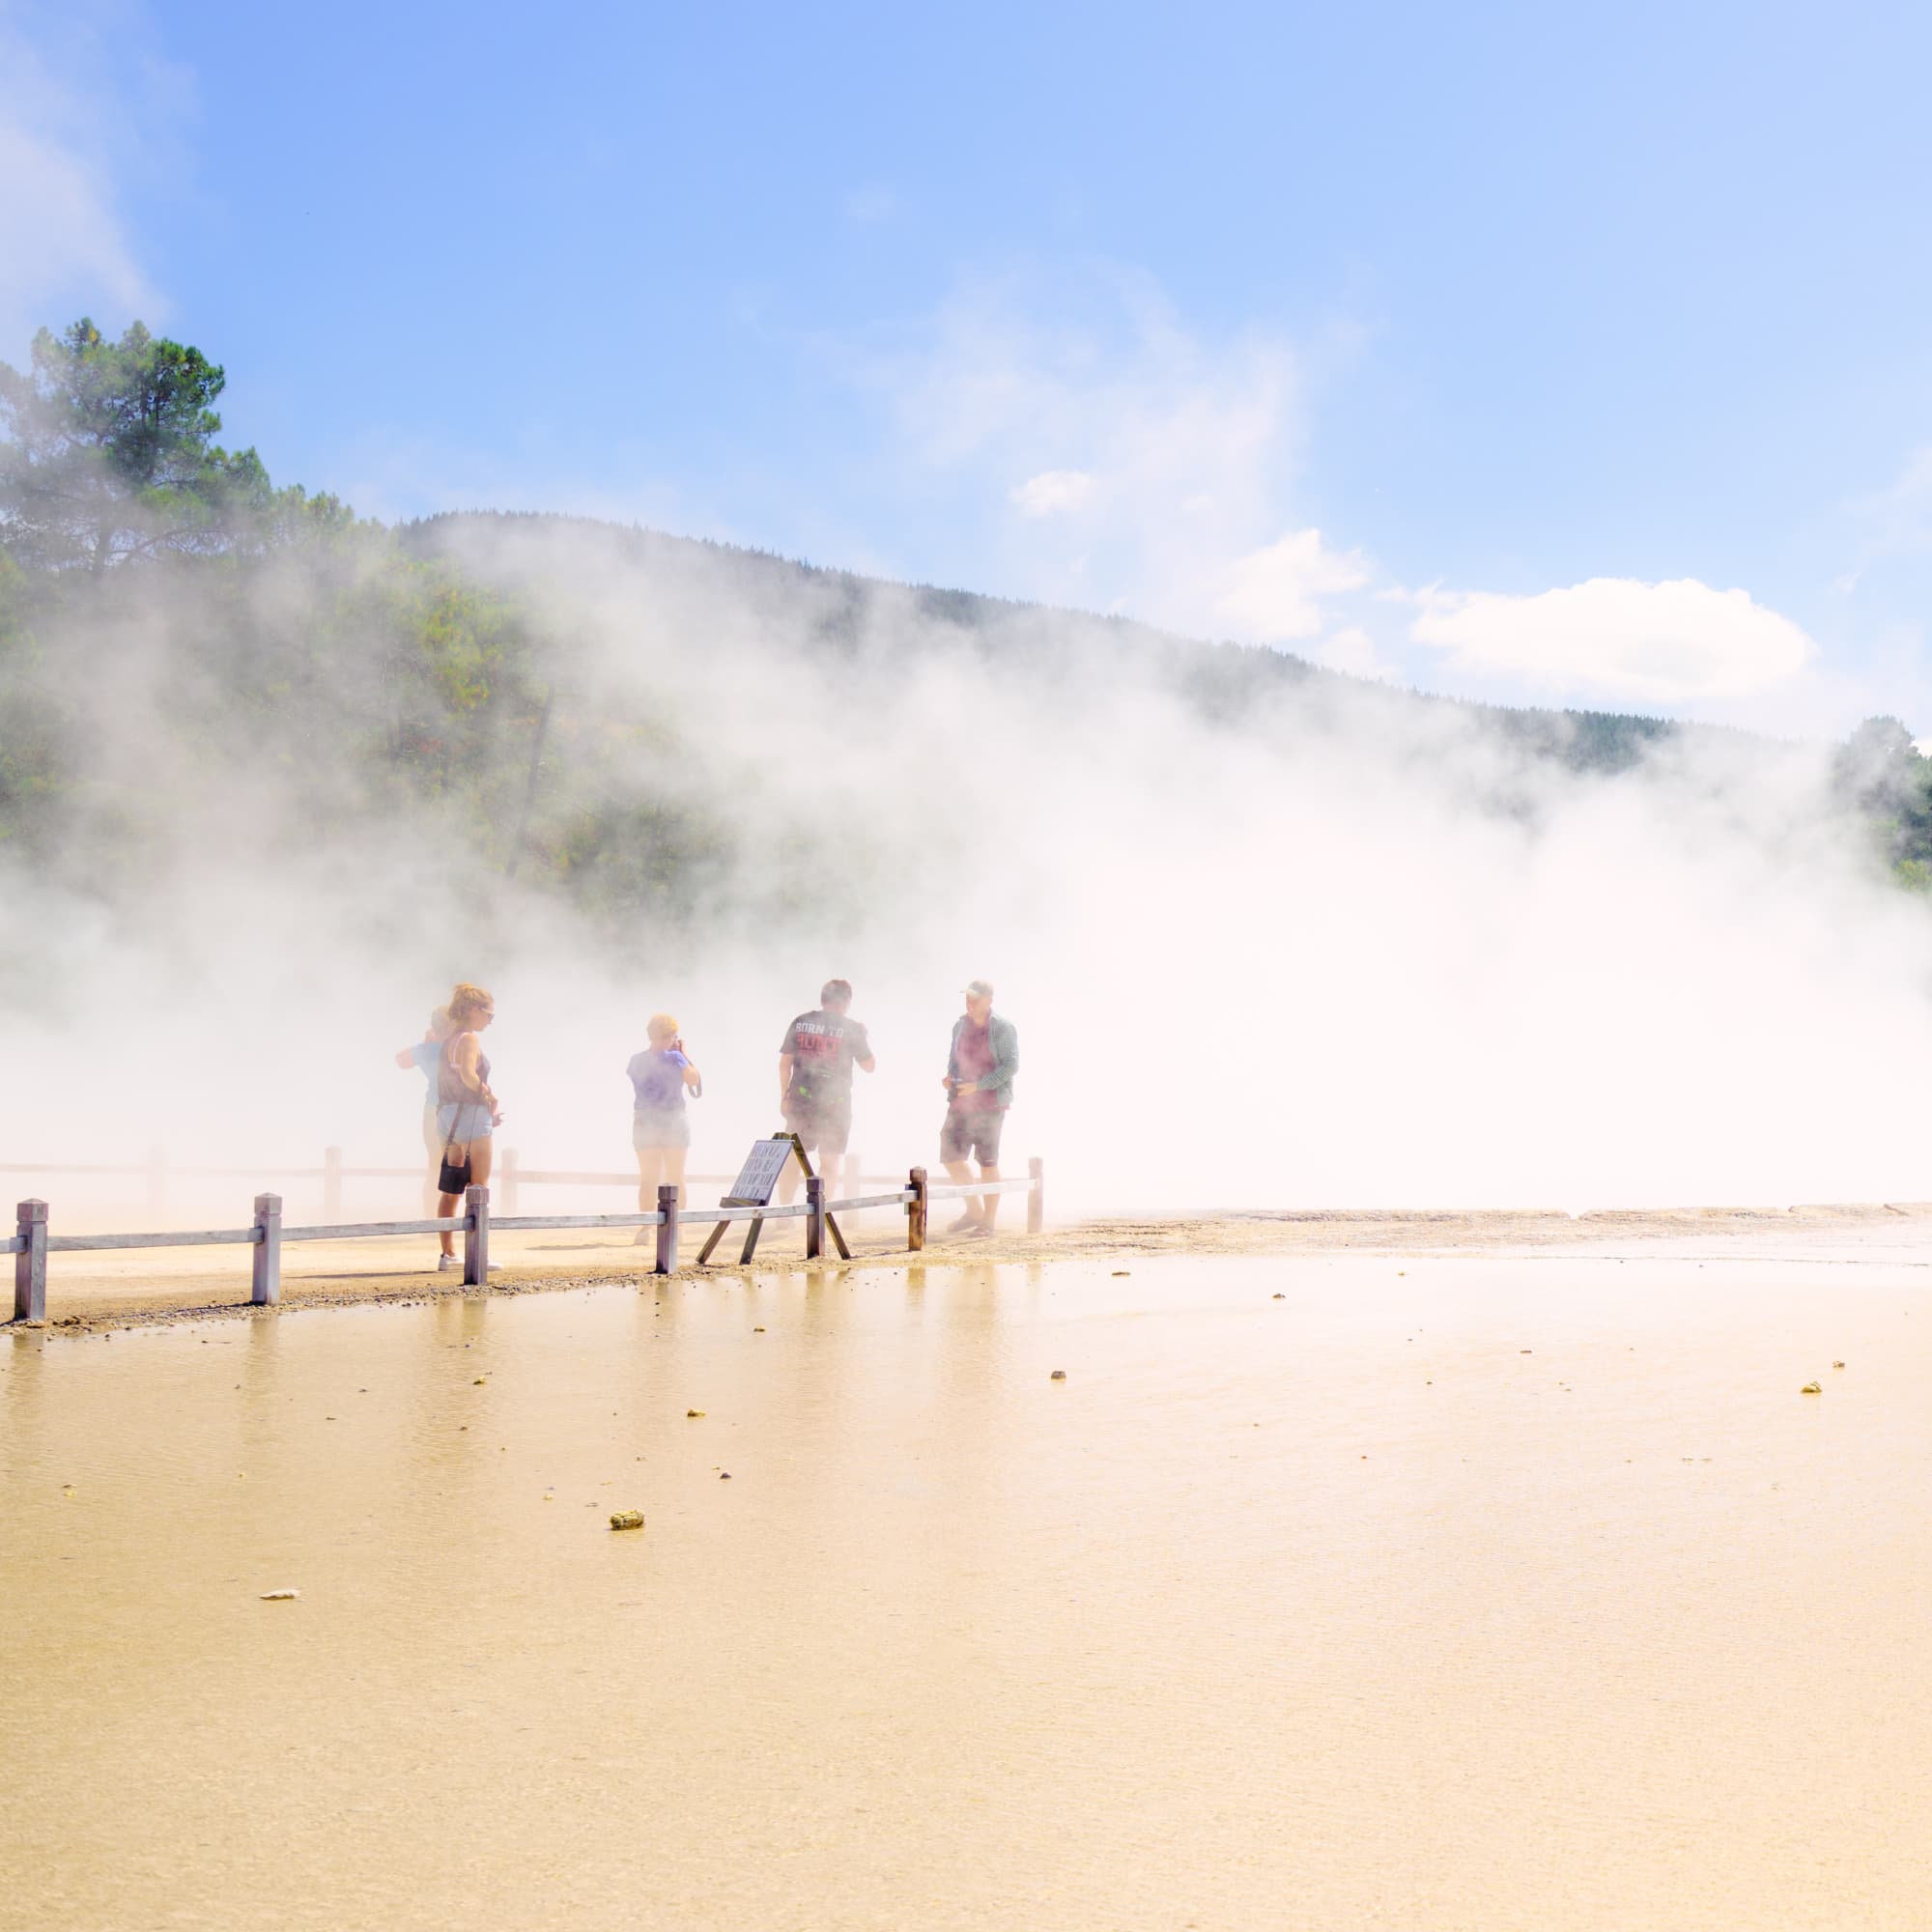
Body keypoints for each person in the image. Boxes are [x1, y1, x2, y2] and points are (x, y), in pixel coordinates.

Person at [776, 979, 876, 1201]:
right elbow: (870, 1066)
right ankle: (821, 1218)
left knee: (793, 1160)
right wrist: (863, 1036)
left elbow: (785, 1064)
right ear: (846, 1001)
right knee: (829, 1164)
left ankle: (784, 1215)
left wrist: (784, 1096)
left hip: (801, 1103)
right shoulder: (851, 1029)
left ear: (823, 999)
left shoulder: (801, 1022)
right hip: (835, 1106)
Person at [940, 979, 1019, 1237]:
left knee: (987, 1162)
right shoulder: (959, 1025)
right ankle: (974, 1210)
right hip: (960, 1101)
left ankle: (989, 1222)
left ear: (989, 1000)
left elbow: (1010, 1067)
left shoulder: (1003, 1028)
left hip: (990, 1104)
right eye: (967, 997)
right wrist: (949, 1078)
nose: (969, 1002)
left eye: (975, 998)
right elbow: (954, 1058)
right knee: (951, 1157)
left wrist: (979, 1086)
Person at [436, 982, 500, 1271]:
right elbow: (467, 1074)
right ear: (474, 1010)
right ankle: (478, 1254)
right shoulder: (470, 1039)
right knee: (479, 1186)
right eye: (489, 1015)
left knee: (451, 1187)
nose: (489, 1021)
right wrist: (488, 1095)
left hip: (448, 1116)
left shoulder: (449, 1039)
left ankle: (448, 1255)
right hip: (472, 1115)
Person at [628, 1013, 701, 1241]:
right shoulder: (675, 1058)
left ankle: (646, 1229)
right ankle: (679, 1228)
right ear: (669, 1036)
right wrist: (684, 1054)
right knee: (676, 1175)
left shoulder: (636, 1060)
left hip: (644, 1118)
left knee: (648, 1177)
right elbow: (693, 1080)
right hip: (672, 1118)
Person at [395, 1005, 454, 1212]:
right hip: (454, 1109)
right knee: (452, 1165)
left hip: (433, 1109)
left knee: (436, 1166)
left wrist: (425, 1043)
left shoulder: (428, 1048)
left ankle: (432, 1215)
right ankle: (444, 1216)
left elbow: (401, 1061)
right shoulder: (458, 1045)